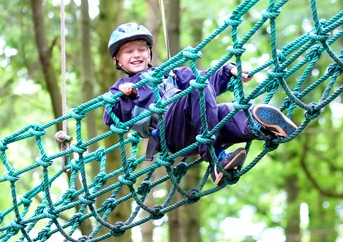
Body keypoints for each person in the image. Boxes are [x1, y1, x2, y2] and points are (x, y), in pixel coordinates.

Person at [103, 23, 299, 185]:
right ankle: (215, 158)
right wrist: (122, 95)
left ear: (149, 53)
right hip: (170, 133)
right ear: (117, 60)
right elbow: (110, 117)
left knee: (225, 110)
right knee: (196, 88)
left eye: (141, 49)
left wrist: (229, 70)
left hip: (199, 127)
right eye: (128, 51)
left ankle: (258, 125)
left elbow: (206, 77)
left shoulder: (169, 73)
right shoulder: (121, 88)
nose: (136, 55)